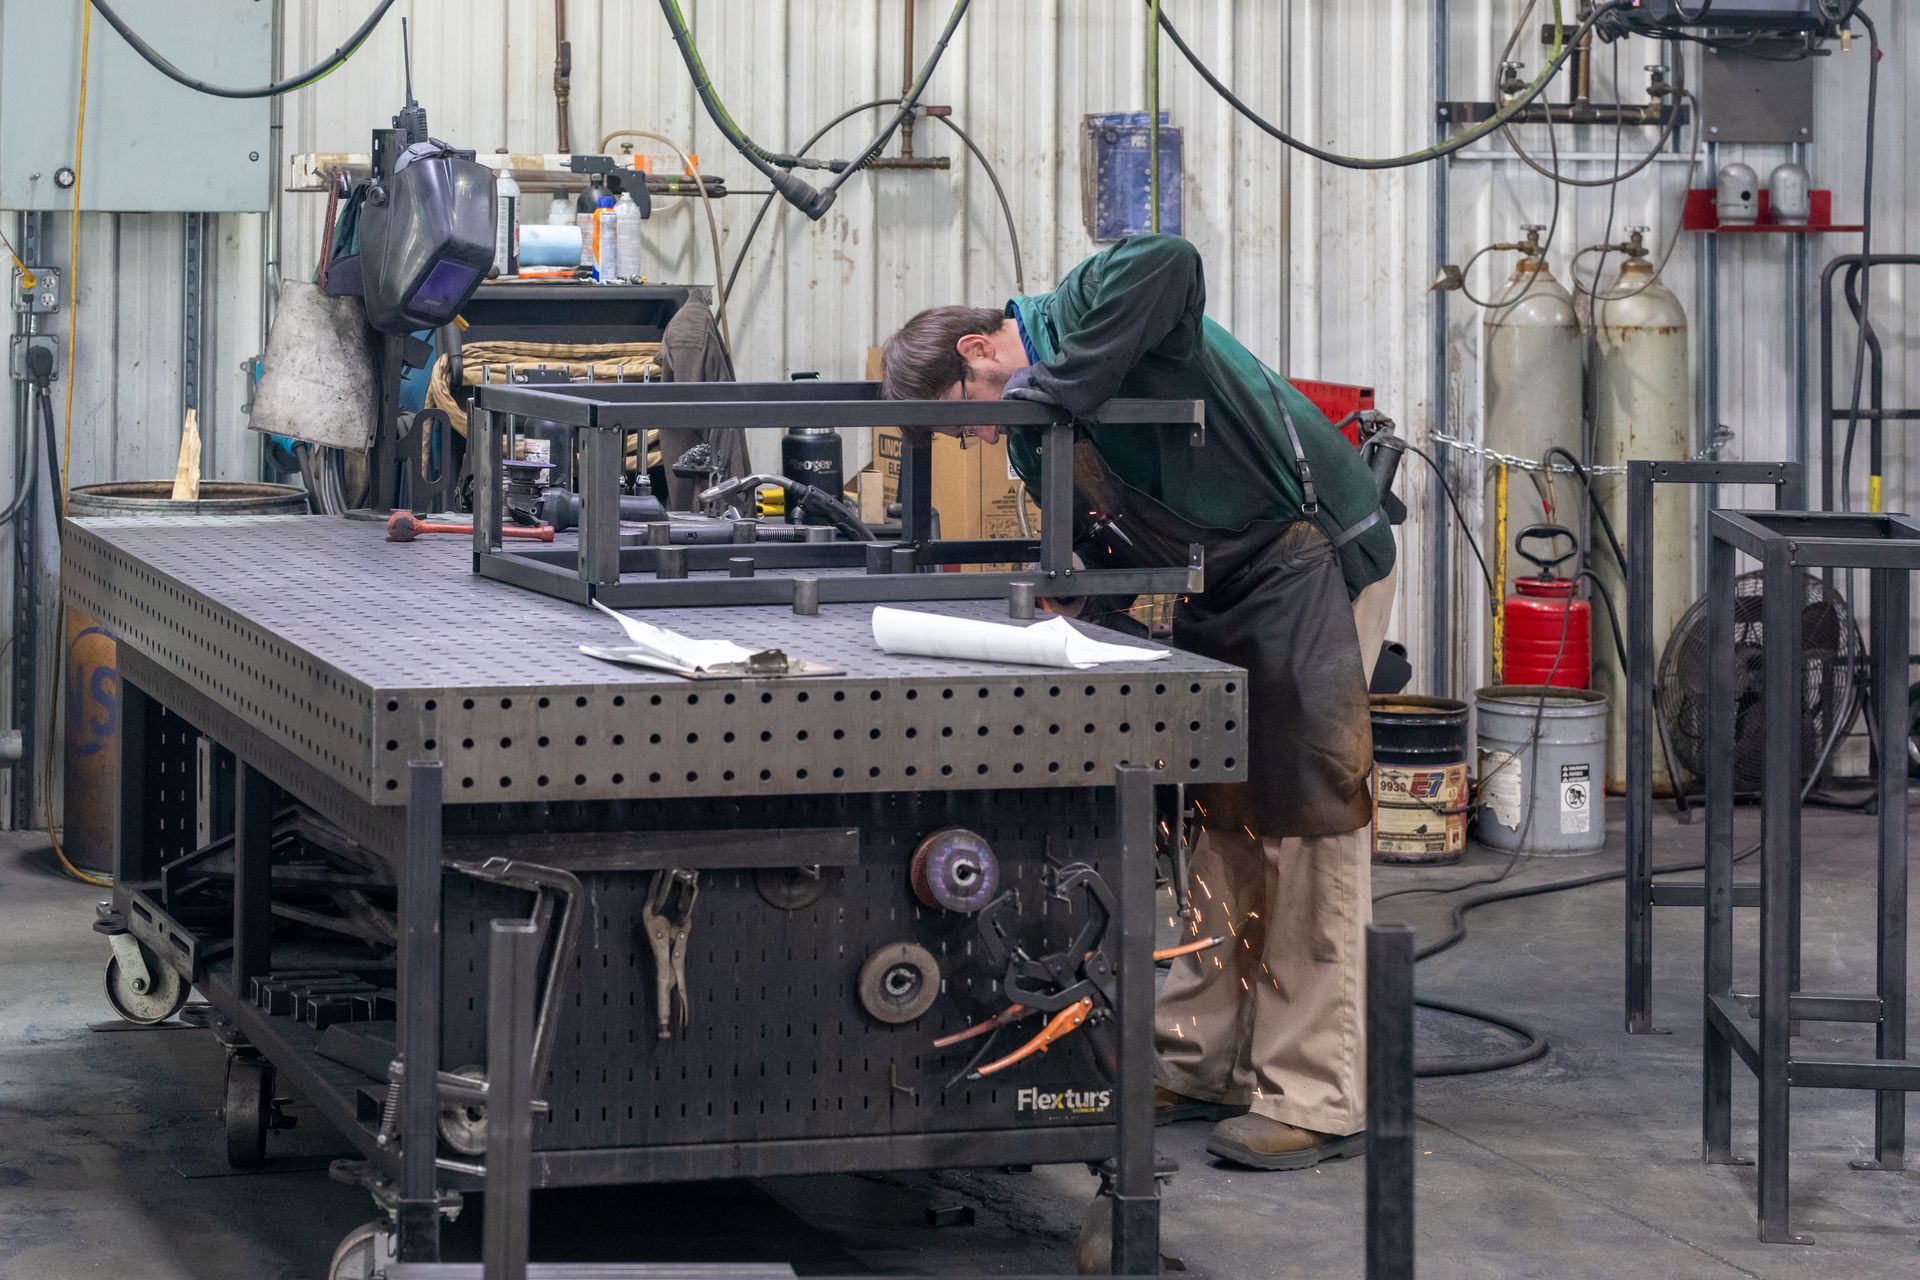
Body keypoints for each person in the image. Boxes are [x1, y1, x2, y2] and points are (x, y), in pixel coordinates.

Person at [879, 234, 1397, 1171]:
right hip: (1221, 585)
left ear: (977, 353)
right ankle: (1201, 1062)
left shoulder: (1078, 312)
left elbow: (1171, 258)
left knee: (1306, 829)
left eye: (966, 421)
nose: (977, 441)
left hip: (1309, 562)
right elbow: (1103, 555)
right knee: (1213, 823)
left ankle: (1316, 1093)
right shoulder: (1038, 446)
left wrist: (1055, 388)